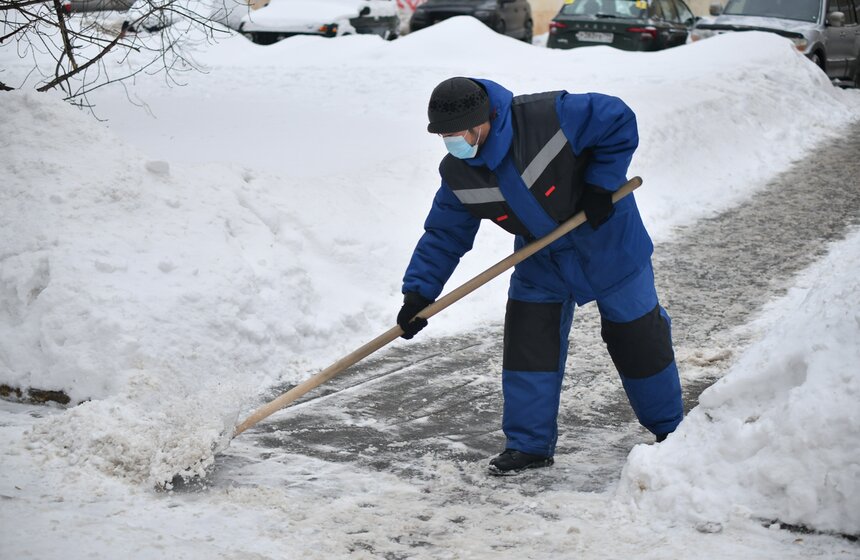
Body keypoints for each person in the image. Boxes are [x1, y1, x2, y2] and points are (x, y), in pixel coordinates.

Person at [396, 77, 683, 476]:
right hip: (541, 259)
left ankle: (671, 430)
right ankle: (528, 445)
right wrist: (418, 295)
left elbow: (617, 118)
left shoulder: (547, 117)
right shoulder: (459, 174)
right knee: (529, 346)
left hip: (608, 242)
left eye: (457, 133)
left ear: (484, 120)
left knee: (638, 339)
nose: (451, 142)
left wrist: (601, 184)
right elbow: (444, 235)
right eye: (443, 135)